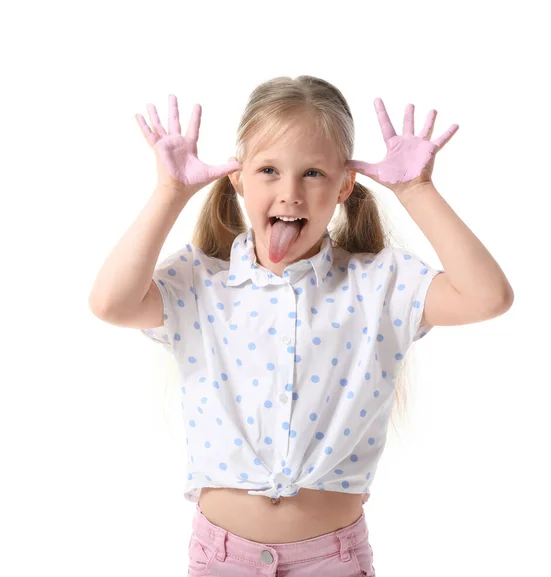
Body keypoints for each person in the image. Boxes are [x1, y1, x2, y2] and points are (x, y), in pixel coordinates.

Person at [88, 75, 514, 576]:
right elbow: (110, 304)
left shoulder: (379, 284)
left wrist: (416, 190)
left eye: (312, 173)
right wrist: (169, 192)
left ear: (344, 186)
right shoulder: (199, 283)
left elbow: (489, 297)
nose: (290, 193)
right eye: (269, 169)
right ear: (237, 178)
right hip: (222, 558)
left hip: (330, 560)